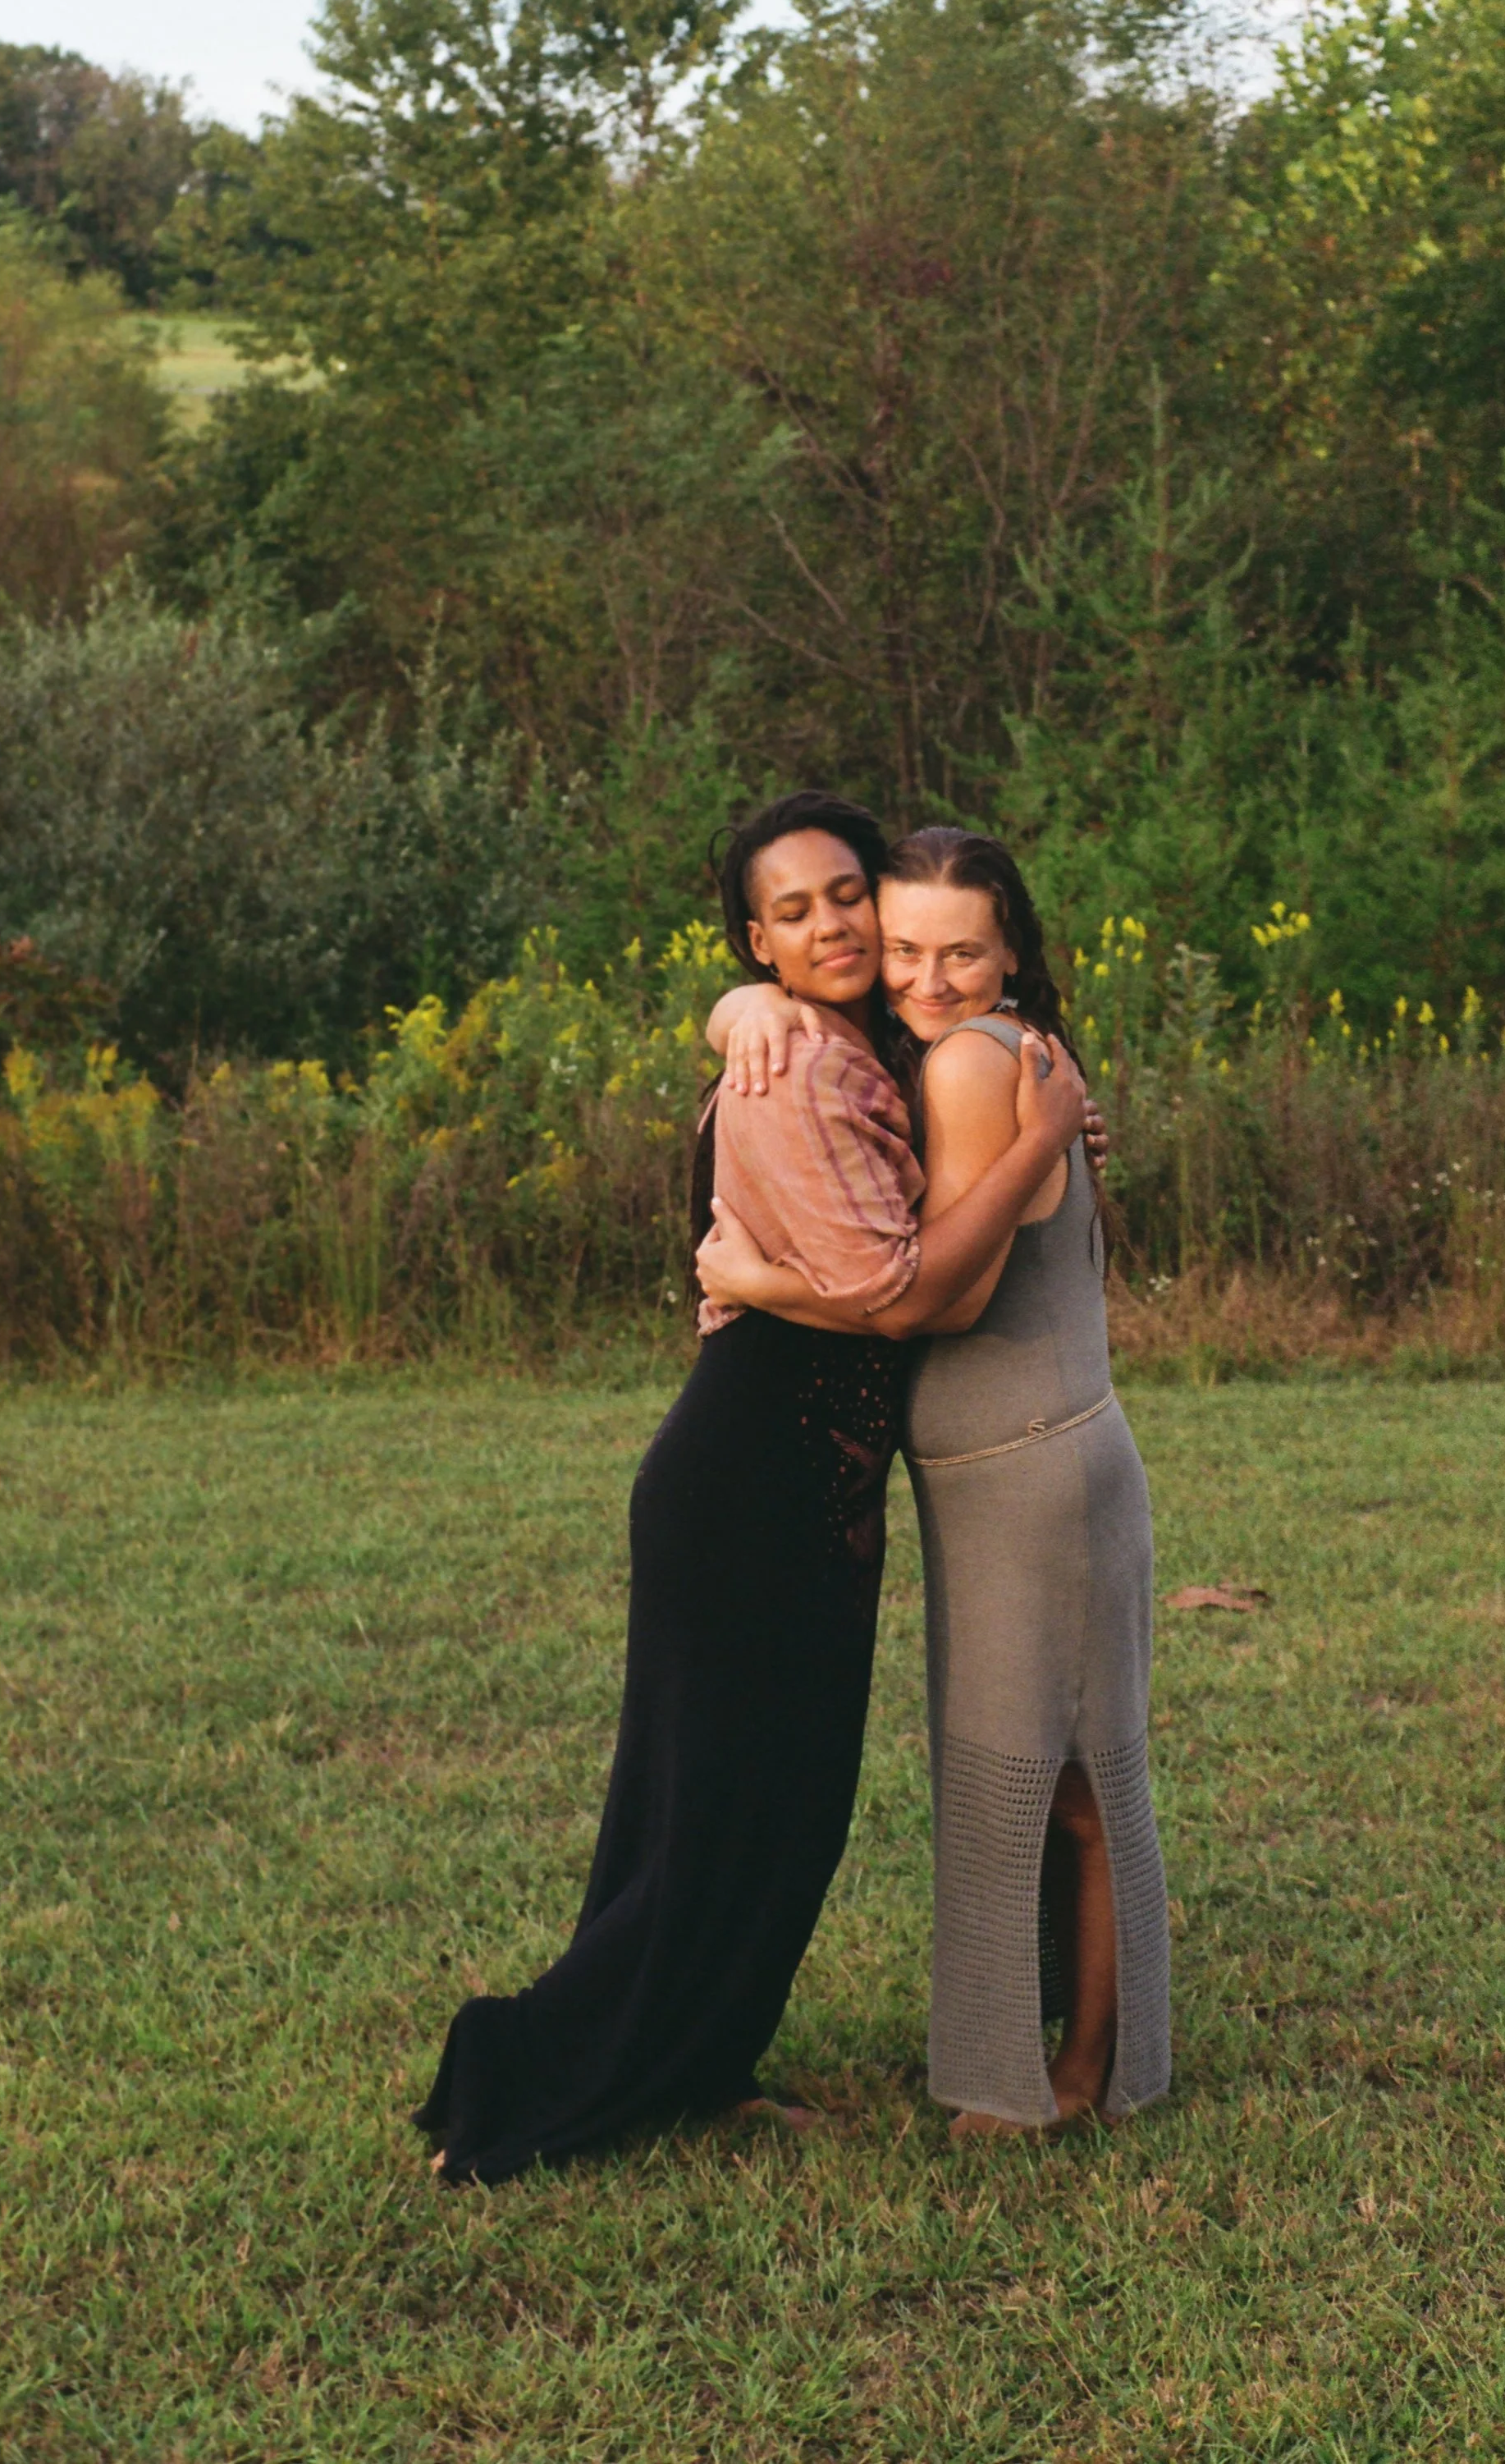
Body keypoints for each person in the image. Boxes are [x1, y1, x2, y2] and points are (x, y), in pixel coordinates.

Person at [414, 790, 1088, 2187]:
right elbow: (889, 1293)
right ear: (755, 939)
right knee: (717, 1808)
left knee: (774, 1813)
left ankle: (701, 2065)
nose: (837, 926)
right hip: (746, 1479)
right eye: (794, 913)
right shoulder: (790, 1062)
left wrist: (745, 1019)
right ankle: (532, 2066)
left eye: (850, 895)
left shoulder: (847, 1044)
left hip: (811, 1475)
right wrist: (1037, 1138)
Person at [699, 825, 1169, 2136]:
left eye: (961, 949)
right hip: (1012, 1467)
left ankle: (1073, 2080)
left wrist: (755, 1282)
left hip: (1034, 1471)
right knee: (1043, 1768)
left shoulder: (973, 1062)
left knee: (1061, 1784)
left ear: (1010, 948)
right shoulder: (984, 1053)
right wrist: (745, 1003)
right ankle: (1065, 2060)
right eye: (904, 947)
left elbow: (927, 1304)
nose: (926, 976)